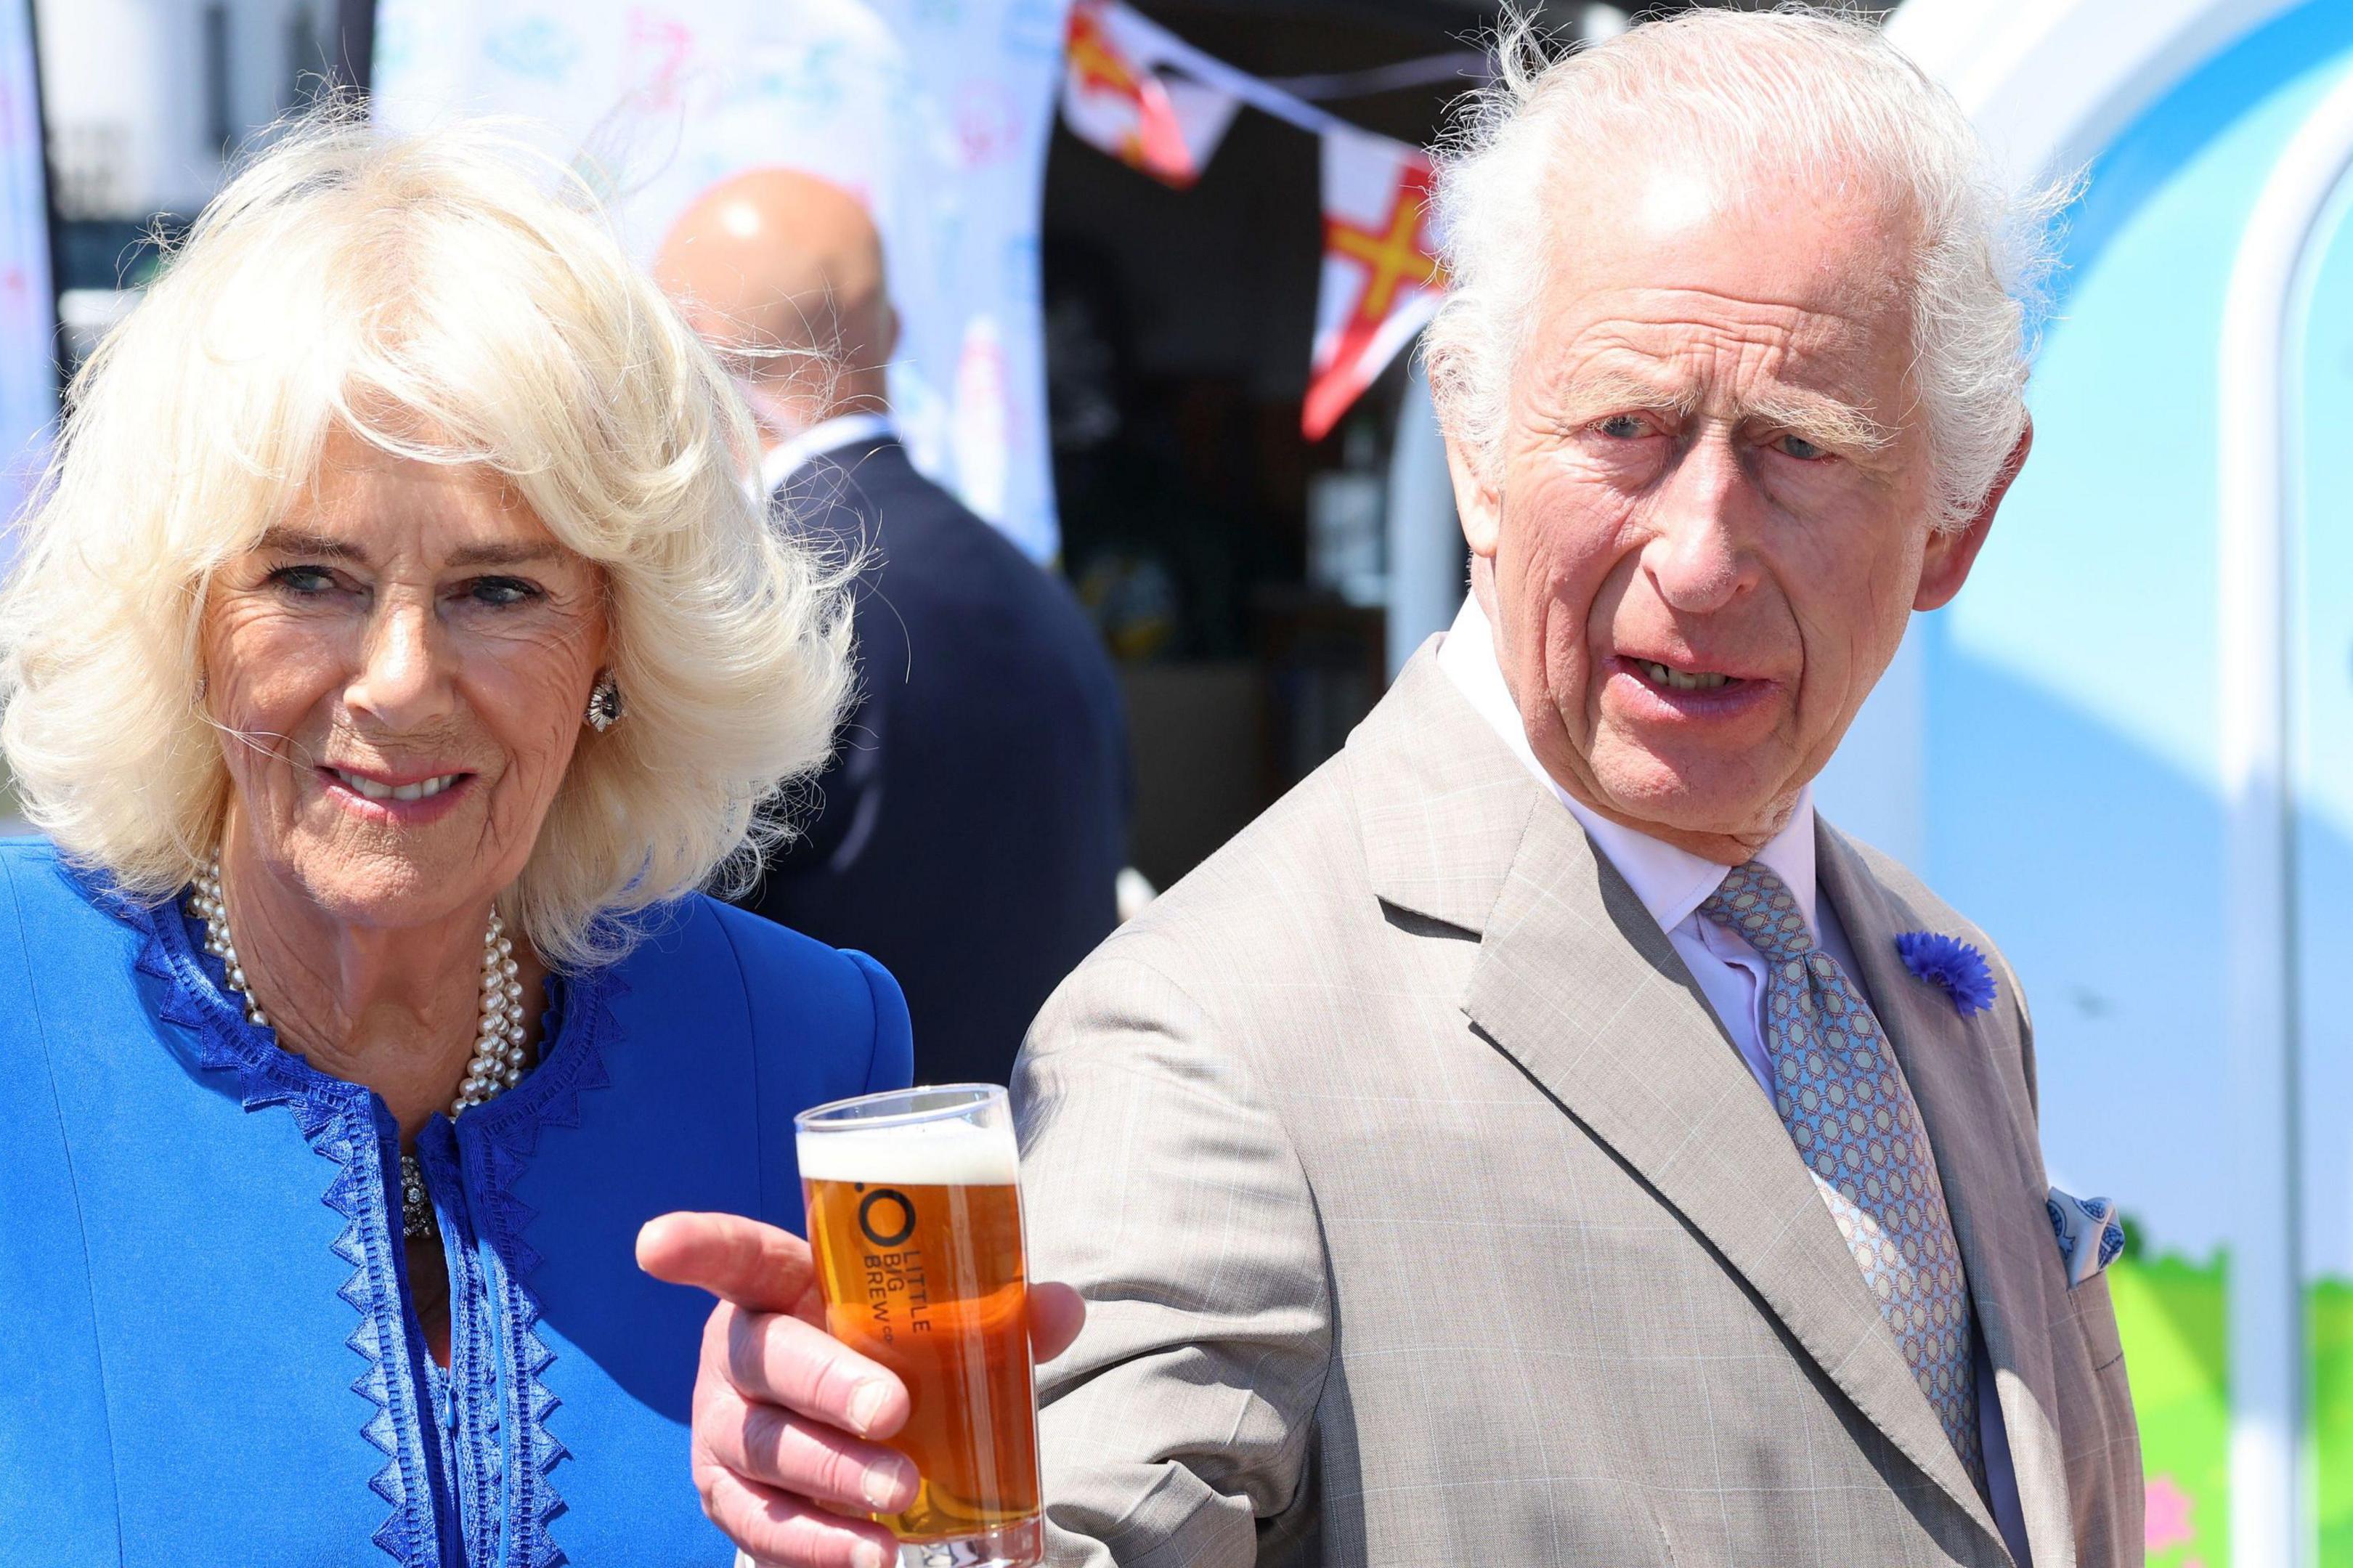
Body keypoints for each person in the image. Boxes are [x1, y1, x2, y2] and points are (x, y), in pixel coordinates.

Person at [645, 11, 2142, 1567]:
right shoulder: (1216, 1030)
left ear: (1958, 518)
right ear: (1477, 451)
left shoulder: (1943, 980)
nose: (1701, 553)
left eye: (1802, 445)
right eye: (1625, 428)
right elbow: (1082, 1524)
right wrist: (907, 1520)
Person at [0, 118, 909, 1567]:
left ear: (618, 634)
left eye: (498, 586)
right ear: (185, 617)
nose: (401, 678)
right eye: (310, 575)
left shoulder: (801, 1039)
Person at [653, 171, 1130, 1089]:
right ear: (893, 333)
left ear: (689, 359)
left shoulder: (754, 596)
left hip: (813, 1189)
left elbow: (660, 937)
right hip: (1032, 1169)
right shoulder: (1037, 594)